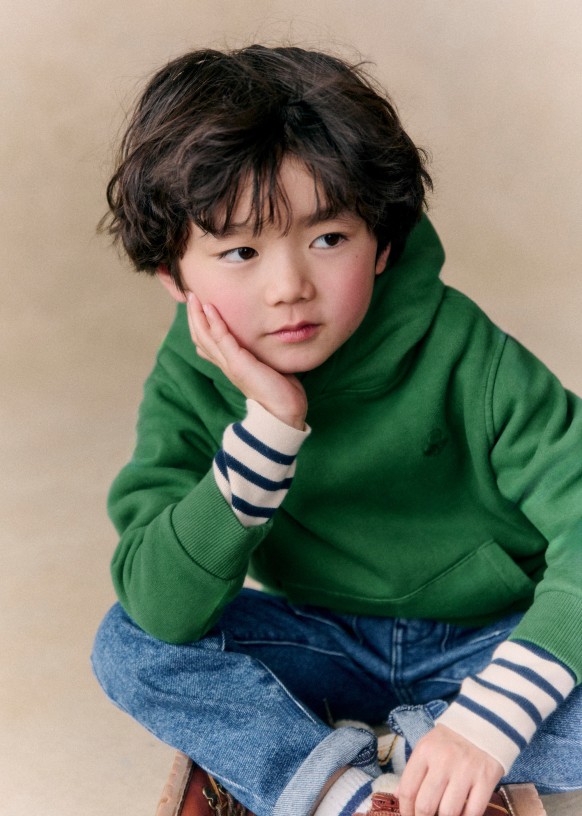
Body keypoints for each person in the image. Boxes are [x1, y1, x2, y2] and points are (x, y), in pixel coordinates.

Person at [91, 45, 581, 816]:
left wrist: (490, 720)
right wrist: (270, 429)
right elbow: (163, 605)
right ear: (174, 277)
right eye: (240, 251)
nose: (289, 287)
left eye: (328, 240)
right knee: (130, 643)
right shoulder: (189, 378)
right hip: (321, 644)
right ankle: (340, 789)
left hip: (486, 641)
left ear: (382, 243)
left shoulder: (468, 355)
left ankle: (409, 753)